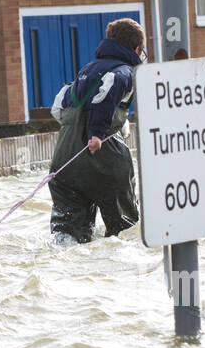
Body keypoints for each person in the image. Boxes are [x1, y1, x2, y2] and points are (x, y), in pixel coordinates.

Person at [48, 18, 147, 242]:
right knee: (124, 232)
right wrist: (96, 134)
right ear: (136, 49)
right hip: (105, 162)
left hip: (65, 163)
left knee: (69, 236)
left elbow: (58, 107)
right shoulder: (125, 73)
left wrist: (77, 133)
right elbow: (107, 97)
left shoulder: (86, 71)